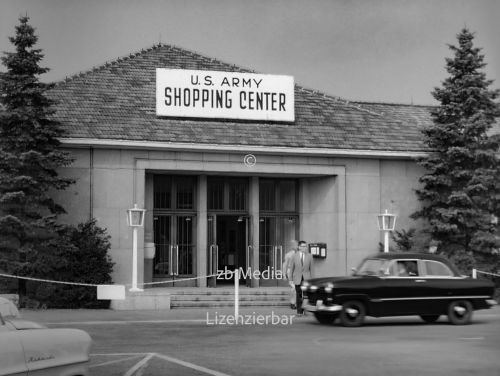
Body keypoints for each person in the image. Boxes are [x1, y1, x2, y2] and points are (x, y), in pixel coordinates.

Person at [290, 240, 313, 315]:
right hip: (297, 278)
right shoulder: (294, 256)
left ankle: (305, 310)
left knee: (306, 295)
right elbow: (292, 268)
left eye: (305, 246)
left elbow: (312, 269)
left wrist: (313, 280)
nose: (304, 248)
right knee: (298, 295)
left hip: (307, 278)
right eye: (303, 246)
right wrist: (290, 279)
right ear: (299, 247)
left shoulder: (309, 256)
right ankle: (299, 311)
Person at [282, 239, 298, 309]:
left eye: (295, 244)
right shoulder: (288, 254)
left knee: (298, 288)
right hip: (290, 271)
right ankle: (292, 303)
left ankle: (298, 303)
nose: (294, 246)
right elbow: (285, 265)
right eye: (293, 244)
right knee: (294, 287)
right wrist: (284, 275)